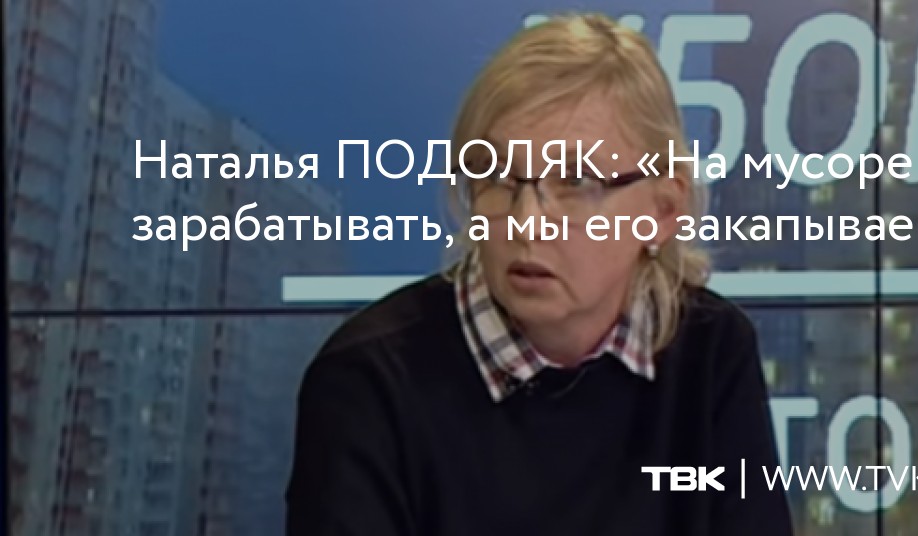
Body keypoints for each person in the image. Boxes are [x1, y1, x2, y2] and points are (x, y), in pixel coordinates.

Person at [285, 12, 793, 536]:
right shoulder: (368, 379)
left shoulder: (711, 352)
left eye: (575, 181)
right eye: (498, 177)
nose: (527, 221)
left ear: (662, 210)